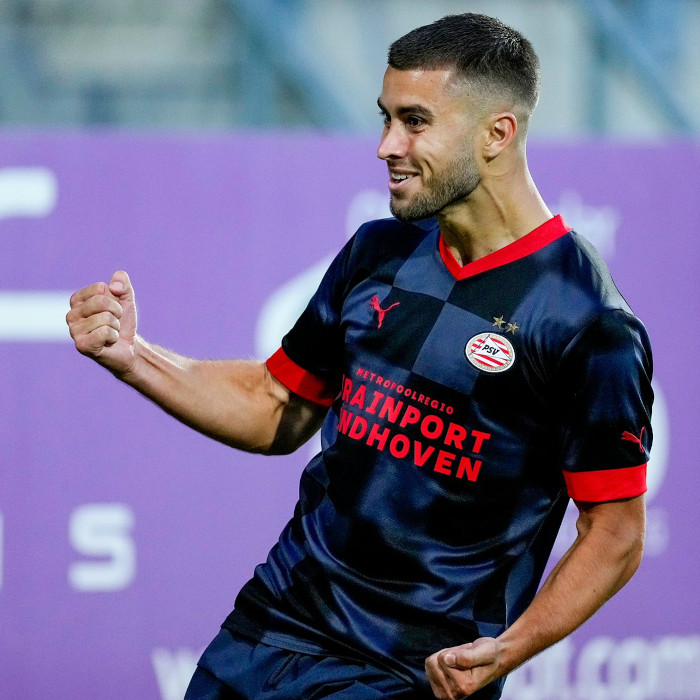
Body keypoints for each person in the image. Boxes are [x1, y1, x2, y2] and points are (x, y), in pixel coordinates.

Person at [66, 13, 652, 700]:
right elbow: (276, 405)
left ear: (497, 134)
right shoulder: (377, 252)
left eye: (414, 122)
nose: (385, 146)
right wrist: (132, 356)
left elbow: (615, 532)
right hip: (269, 631)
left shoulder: (588, 320)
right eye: (385, 118)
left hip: (409, 673)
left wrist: (507, 650)